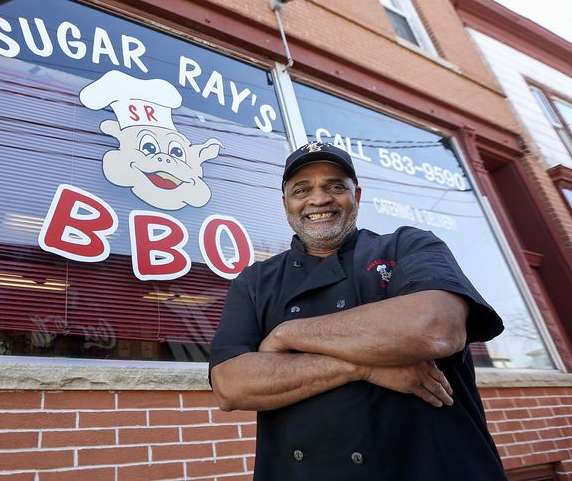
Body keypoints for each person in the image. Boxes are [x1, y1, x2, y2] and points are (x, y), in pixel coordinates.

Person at [209, 141, 506, 480]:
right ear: (286, 204)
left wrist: (286, 333)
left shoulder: (409, 245)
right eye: (302, 190)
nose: (319, 199)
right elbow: (231, 385)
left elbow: (434, 328)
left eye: (335, 186)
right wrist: (363, 367)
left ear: (357, 196)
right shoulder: (255, 280)